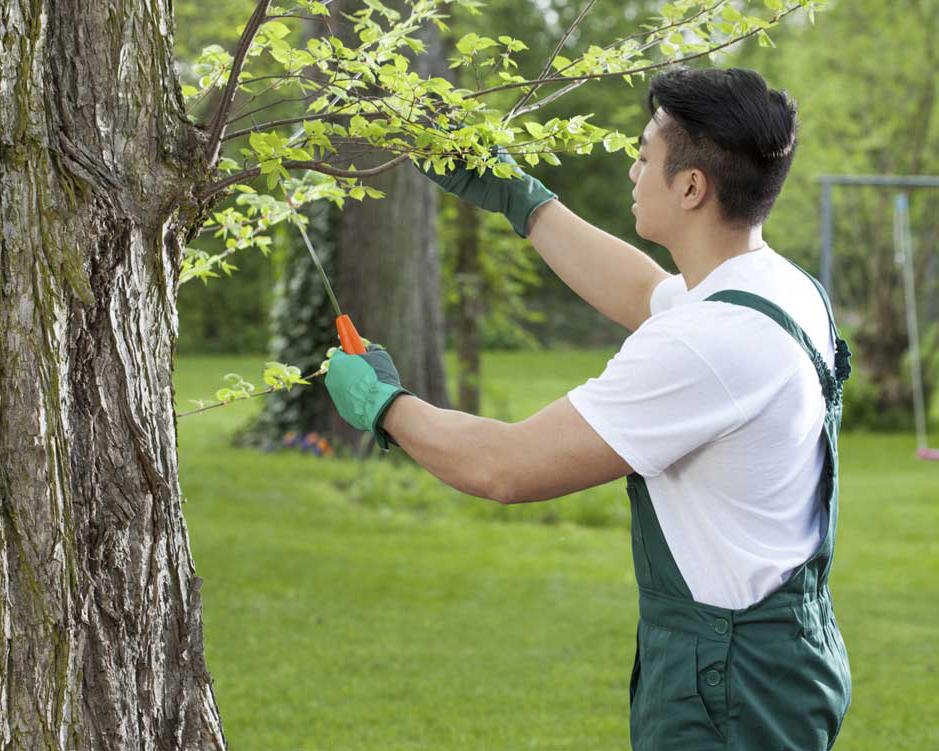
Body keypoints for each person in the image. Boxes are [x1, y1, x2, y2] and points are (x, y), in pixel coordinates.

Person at [322, 66, 853, 750]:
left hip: (729, 680)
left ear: (690, 186)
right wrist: (521, 199)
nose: (633, 172)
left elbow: (503, 467)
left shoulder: (707, 344)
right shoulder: (775, 286)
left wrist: (383, 403)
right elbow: (644, 293)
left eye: (642, 156)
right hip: (781, 653)